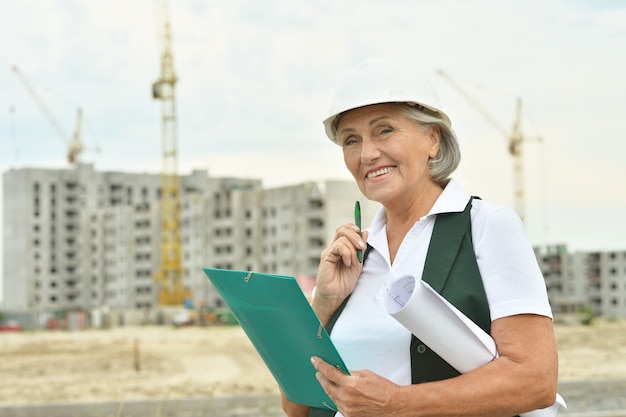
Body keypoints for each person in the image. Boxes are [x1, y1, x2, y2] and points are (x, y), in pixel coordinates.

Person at [280, 57, 561, 417]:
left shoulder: (487, 226)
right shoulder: (353, 256)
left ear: (433, 138)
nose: (367, 154)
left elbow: (535, 380)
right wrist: (323, 305)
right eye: (351, 140)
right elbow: (294, 406)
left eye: (384, 130)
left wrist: (397, 404)